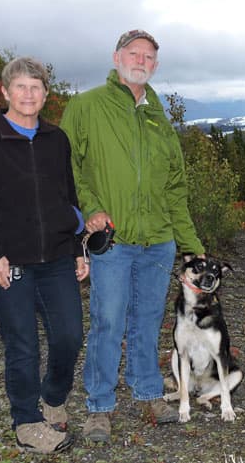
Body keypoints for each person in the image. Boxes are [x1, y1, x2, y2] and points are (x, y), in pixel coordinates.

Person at [60, 29, 204, 442]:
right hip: (114, 241)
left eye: (148, 56)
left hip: (158, 241)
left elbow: (176, 189)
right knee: (107, 323)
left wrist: (192, 247)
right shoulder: (86, 106)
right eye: (133, 53)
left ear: (155, 66)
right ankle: (99, 407)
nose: (141, 60)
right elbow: (69, 169)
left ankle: (147, 392)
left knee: (147, 320)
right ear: (116, 57)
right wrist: (89, 210)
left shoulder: (160, 119)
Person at [0, 57, 89, 454]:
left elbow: (68, 199)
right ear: (4, 91)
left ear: (46, 95)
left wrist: (78, 249)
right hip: (6, 262)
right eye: (20, 87)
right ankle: (27, 421)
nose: (28, 94)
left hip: (55, 258)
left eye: (36, 87)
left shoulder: (56, 140)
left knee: (69, 335)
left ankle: (52, 398)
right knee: (23, 344)